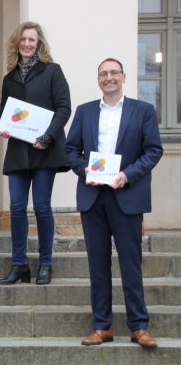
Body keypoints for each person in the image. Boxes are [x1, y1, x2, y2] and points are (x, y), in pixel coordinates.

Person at [65, 58, 163, 348]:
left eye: (113, 73)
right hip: (93, 196)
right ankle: (102, 326)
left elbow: (153, 151)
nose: (109, 78)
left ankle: (139, 327)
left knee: (131, 264)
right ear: (98, 80)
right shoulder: (84, 113)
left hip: (126, 195)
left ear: (123, 76)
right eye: (103, 74)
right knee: (98, 265)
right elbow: (70, 150)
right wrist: (86, 172)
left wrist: (126, 175)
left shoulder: (143, 110)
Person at [0, 21, 71, 286]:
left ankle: (45, 265)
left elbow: (64, 108)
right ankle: (19, 265)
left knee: (41, 207)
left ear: (39, 44)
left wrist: (47, 136)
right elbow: (4, 112)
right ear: (16, 43)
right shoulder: (9, 78)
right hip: (19, 150)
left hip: (44, 150)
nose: (28, 44)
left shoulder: (52, 71)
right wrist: (5, 127)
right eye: (23, 40)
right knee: (16, 207)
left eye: (32, 40)